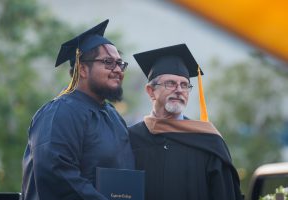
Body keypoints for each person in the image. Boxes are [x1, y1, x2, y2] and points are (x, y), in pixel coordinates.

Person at [21, 19, 134, 200]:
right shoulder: (59, 112)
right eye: (108, 62)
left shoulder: (113, 116)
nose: (118, 69)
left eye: (120, 63)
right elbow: (57, 174)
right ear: (82, 69)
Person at [129, 44, 244, 200]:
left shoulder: (208, 140)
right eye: (170, 83)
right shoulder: (131, 138)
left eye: (184, 85)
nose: (179, 90)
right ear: (151, 91)